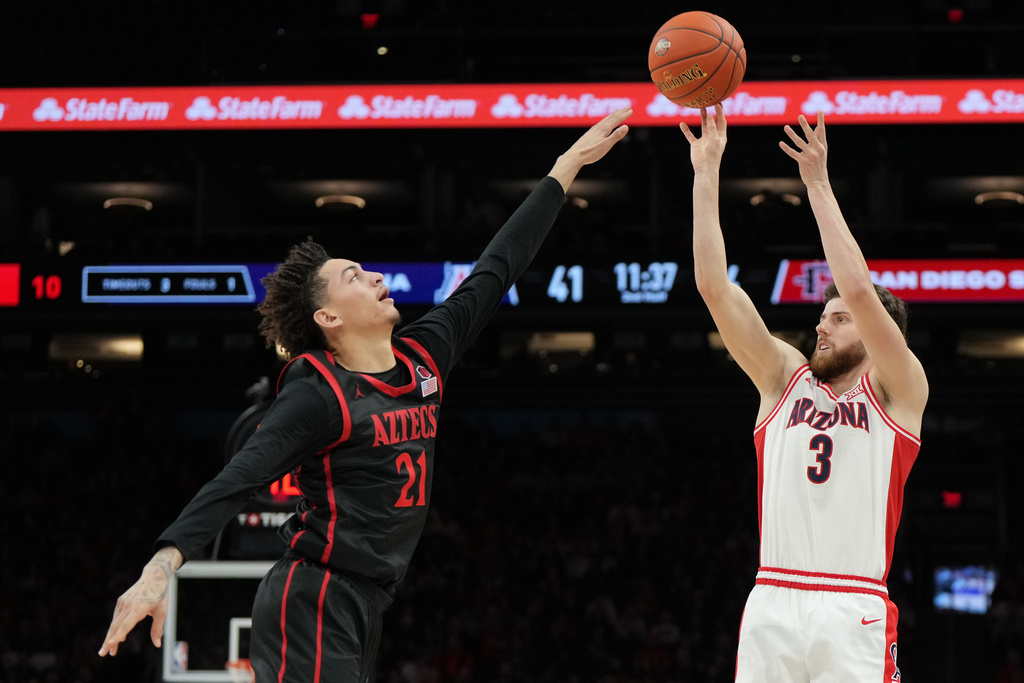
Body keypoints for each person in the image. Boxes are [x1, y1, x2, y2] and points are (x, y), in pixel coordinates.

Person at [98, 107, 632, 681]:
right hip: (312, 597)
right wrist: (160, 567)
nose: (376, 277)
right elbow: (239, 478)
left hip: (366, 601)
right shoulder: (318, 393)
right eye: (355, 276)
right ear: (327, 316)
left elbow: (495, 270)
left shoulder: (426, 353)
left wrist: (565, 166)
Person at [680, 104, 928, 681]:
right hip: (774, 600)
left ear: (872, 334)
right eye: (823, 316)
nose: (822, 324)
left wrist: (816, 182)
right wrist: (706, 169)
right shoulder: (781, 378)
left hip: (853, 606)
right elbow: (713, 287)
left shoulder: (900, 391)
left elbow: (861, 292)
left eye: (837, 319)